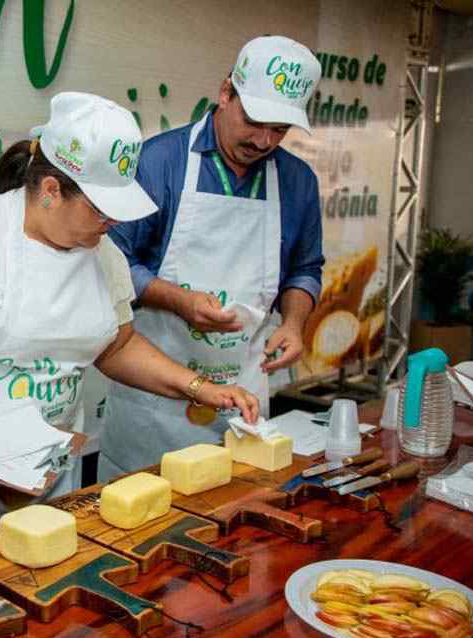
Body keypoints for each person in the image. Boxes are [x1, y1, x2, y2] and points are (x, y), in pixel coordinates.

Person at [0, 91, 259, 551]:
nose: (112, 222)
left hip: (47, 474)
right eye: (101, 209)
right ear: (51, 190)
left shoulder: (102, 254)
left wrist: (198, 387)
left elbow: (117, 346)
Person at [98, 35, 325, 480]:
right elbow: (110, 263)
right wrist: (177, 300)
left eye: (279, 130)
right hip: (153, 401)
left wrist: (295, 323)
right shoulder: (158, 162)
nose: (263, 140)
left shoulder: (298, 182)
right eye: (254, 120)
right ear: (225, 93)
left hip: (241, 399)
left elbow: (304, 268)